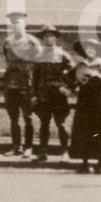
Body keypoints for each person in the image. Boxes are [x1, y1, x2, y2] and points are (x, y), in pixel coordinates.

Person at [70, 39, 101, 174]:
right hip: (84, 99)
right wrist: (75, 84)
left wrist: (96, 76)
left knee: (99, 129)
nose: (89, 51)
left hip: (98, 100)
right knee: (83, 129)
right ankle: (84, 162)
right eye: (86, 48)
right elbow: (72, 80)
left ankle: (100, 163)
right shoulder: (81, 65)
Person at [31, 25, 75, 162]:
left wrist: (67, 88)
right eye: (45, 36)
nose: (48, 38)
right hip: (43, 94)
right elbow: (35, 77)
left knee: (61, 124)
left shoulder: (63, 55)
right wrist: (34, 95)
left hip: (58, 95)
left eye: (51, 35)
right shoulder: (38, 56)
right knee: (44, 123)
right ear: (42, 39)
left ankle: (65, 152)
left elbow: (74, 72)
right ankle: (43, 152)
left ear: (55, 37)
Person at [1, 11, 40, 156]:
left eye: (18, 22)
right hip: (11, 84)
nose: (15, 25)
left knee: (27, 117)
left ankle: (28, 147)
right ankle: (16, 146)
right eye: (13, 23)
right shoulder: (7, 42)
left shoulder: (32, 41)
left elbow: (39, 62)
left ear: (24, 23)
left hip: (27, 84)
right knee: (13, 117)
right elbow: (7, 59)